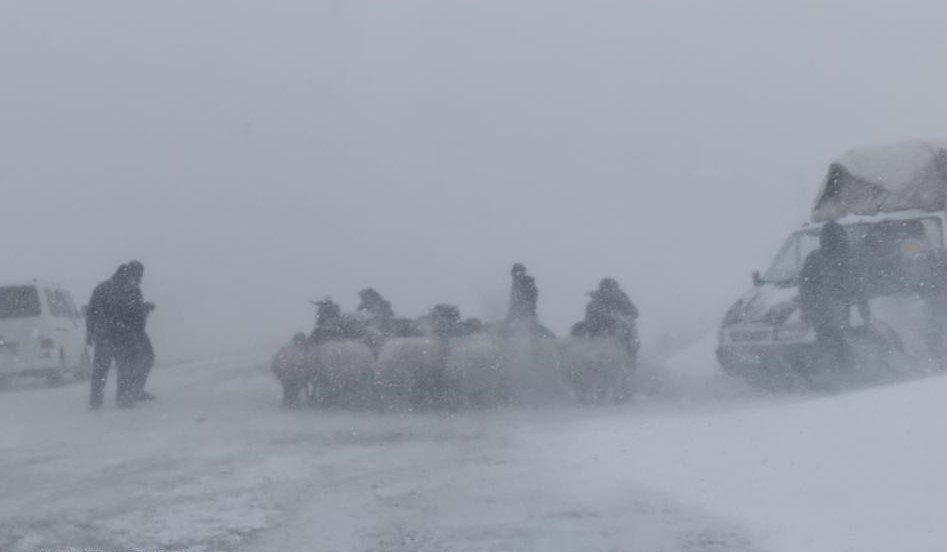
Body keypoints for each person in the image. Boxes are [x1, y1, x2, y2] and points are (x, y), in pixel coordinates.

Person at [799, 221, 871, 372]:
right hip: (836, 312)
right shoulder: (848, 257)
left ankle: (841, 371)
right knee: (841, 341)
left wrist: (807, 310)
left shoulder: (816, 258)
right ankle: (847, 370)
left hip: (825, 312)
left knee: (832, 343)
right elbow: (858, 287)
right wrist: (864, 311)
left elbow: (805, 287)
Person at [87, 264, 144, 409]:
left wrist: (90, 332)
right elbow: (139, 316)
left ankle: (95, 402)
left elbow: (91, 312)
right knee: (124, 369)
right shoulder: (133, 291)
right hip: (123, 337)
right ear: (129, 276)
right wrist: (138, 334)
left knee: (100, 370)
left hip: (103, 335)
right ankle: (123, 400)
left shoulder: (101, 288)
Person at [583, 278, 640, 357]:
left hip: (618, 334)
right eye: (606, 290)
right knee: (579, 328)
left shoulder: (621, 299)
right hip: (599, 334)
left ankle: (628, 357)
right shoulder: (594, 303)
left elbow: (634, 313)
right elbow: (589, 323)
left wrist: (619, 316)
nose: (609, 293)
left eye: (611, 290)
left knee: (624, 330)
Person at [124, 261, 156, 401]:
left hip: (134, 330)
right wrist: (144, 308)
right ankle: (134, 391)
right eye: (139, 274)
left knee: (142, 359)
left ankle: (134, 390)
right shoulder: (129, 288)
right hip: (133, 331)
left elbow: (132, 308)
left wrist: (144, 307)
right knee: (145, 358)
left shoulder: (131, 287)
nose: (140, 278)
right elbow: (129, 310)